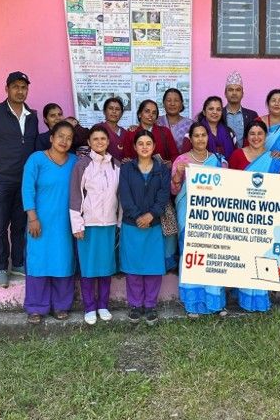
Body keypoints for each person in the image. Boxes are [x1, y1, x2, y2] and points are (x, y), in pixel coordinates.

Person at [0, 71, 39, 288]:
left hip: (24, 180)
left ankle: (18, 263)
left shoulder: (32, 116)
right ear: (7, 89)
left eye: (24, 87)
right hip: (0, 178)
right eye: (16, 87)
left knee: (20, 223)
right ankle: (0, 266)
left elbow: (33, 147)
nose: (20, 91)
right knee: (0, 225)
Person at [22, 121, 78, 324]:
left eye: (69, 138)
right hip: (39, 222)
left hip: (65, 224)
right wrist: (32, 217)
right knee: (38, 262)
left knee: (63, 261)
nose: (64, 141)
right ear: (52, 138)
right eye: (61, 136)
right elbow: (27, 189)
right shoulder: (36, 159)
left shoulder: (75, 162)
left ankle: (61, 305)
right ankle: (36, 307)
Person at [171, 123, 228, 317]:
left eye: (203, 135)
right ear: (191, 138)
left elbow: (228, 188)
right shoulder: (181, 160)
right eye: (196, 135)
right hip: (188, 214)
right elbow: (174, 190)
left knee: (213, 255)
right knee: (191, 254)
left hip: (213, 217)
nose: (200, 139)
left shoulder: (219, 161)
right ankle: (192, 302)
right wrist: (179, 173)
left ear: (207, 137)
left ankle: (215, 302)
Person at [118, 130, 171, 325]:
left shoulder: (162, 169)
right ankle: (135, 305)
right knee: (133, 268)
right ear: (134, 147)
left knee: (152, 268)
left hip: (153, 224)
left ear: (154, 146)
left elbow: (163, 196)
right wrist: (138, 216)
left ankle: (150, 306)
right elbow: (125, 196)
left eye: (148, 143)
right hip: (132, 225)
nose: (144, 147)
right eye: (140, 143)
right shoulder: (127, 169)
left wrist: (151, 215)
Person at [69, 125, 120, 325]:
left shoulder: (116, 165)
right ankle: (89, 307)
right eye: (95, 139)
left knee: (106, 268)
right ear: (89, 142)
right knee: (88, 268)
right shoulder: (82, 165)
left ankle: (103, 305)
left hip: (109, 224)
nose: (99, 142)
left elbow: (120, 196)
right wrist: (77, 224)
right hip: (88, 224)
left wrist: (119, 222)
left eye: (103, 139)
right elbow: (75, 195)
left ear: (108, 141)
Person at [227, 120, 272, 312]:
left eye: (260, 134)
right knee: (244, 255)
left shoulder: (273, 158)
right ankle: (243, 298)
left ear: (265, 136)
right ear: (246, 136)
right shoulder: (237, 155)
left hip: (265, 215)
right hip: (242, 214)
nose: (256, 137)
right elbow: (229, 182)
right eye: (252, 134)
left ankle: (259, 298)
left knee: (261, 254)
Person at [123, 99, 179, 164]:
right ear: (140, 114)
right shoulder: (131, 133)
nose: (151, 115)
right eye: (147, 111)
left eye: (154, 113)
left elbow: (175, 155)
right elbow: (126, 158)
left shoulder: (165, 132)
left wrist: (171, 163)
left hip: (161, 170)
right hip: (136, 170)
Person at [223, 71, 258, 148]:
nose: (234, 93)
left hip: (245, 155)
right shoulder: (218, 115)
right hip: (223, 155)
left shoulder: (252, 115)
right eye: (231, 90)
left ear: (242, 94)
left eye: (238, 90)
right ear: (225, 93)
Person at [155, 88, 194, 152]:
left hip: (184, 158)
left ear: (181, 104)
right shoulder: (156, 122)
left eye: (176, 100)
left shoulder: (190, 124)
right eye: (169, 100)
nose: (172, 104)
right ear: (163, 103)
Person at [96, 97, 128, 162]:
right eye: (110, 108)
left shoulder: (125, 133)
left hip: (122, 168)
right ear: (104, 111)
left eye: (117, 109)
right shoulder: (98, 128)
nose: (114, 111)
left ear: (121, 114)